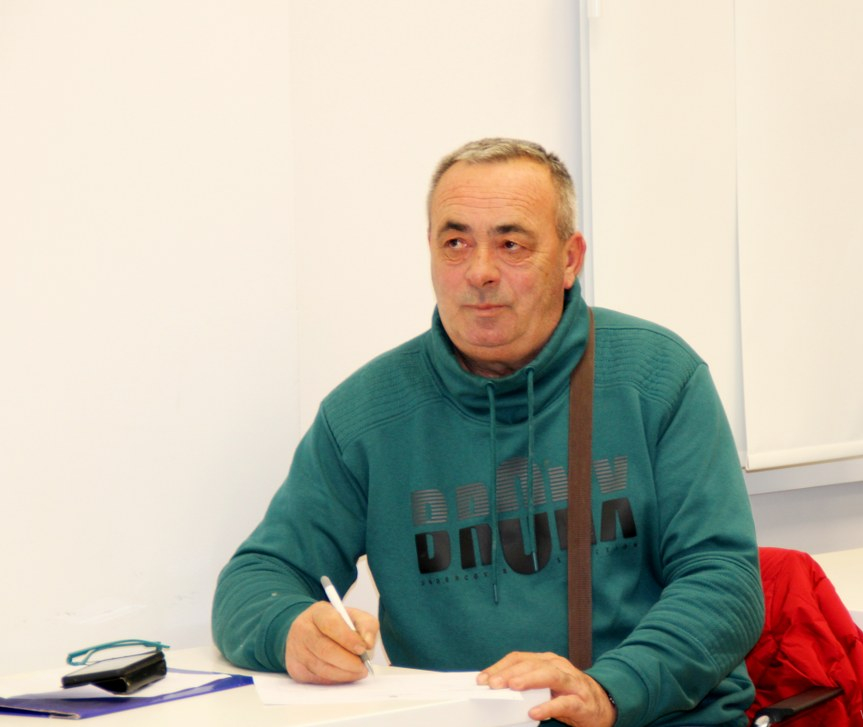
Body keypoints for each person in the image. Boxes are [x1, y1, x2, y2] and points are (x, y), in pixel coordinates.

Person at [212, 138, 764, 727]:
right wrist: (291, 629)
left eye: (511, 244)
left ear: (570, 259)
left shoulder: (657, 380)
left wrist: (609, 690)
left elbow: (724, 584)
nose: (479, 272)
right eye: (455, 244)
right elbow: (255, 581)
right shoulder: (366, 416)